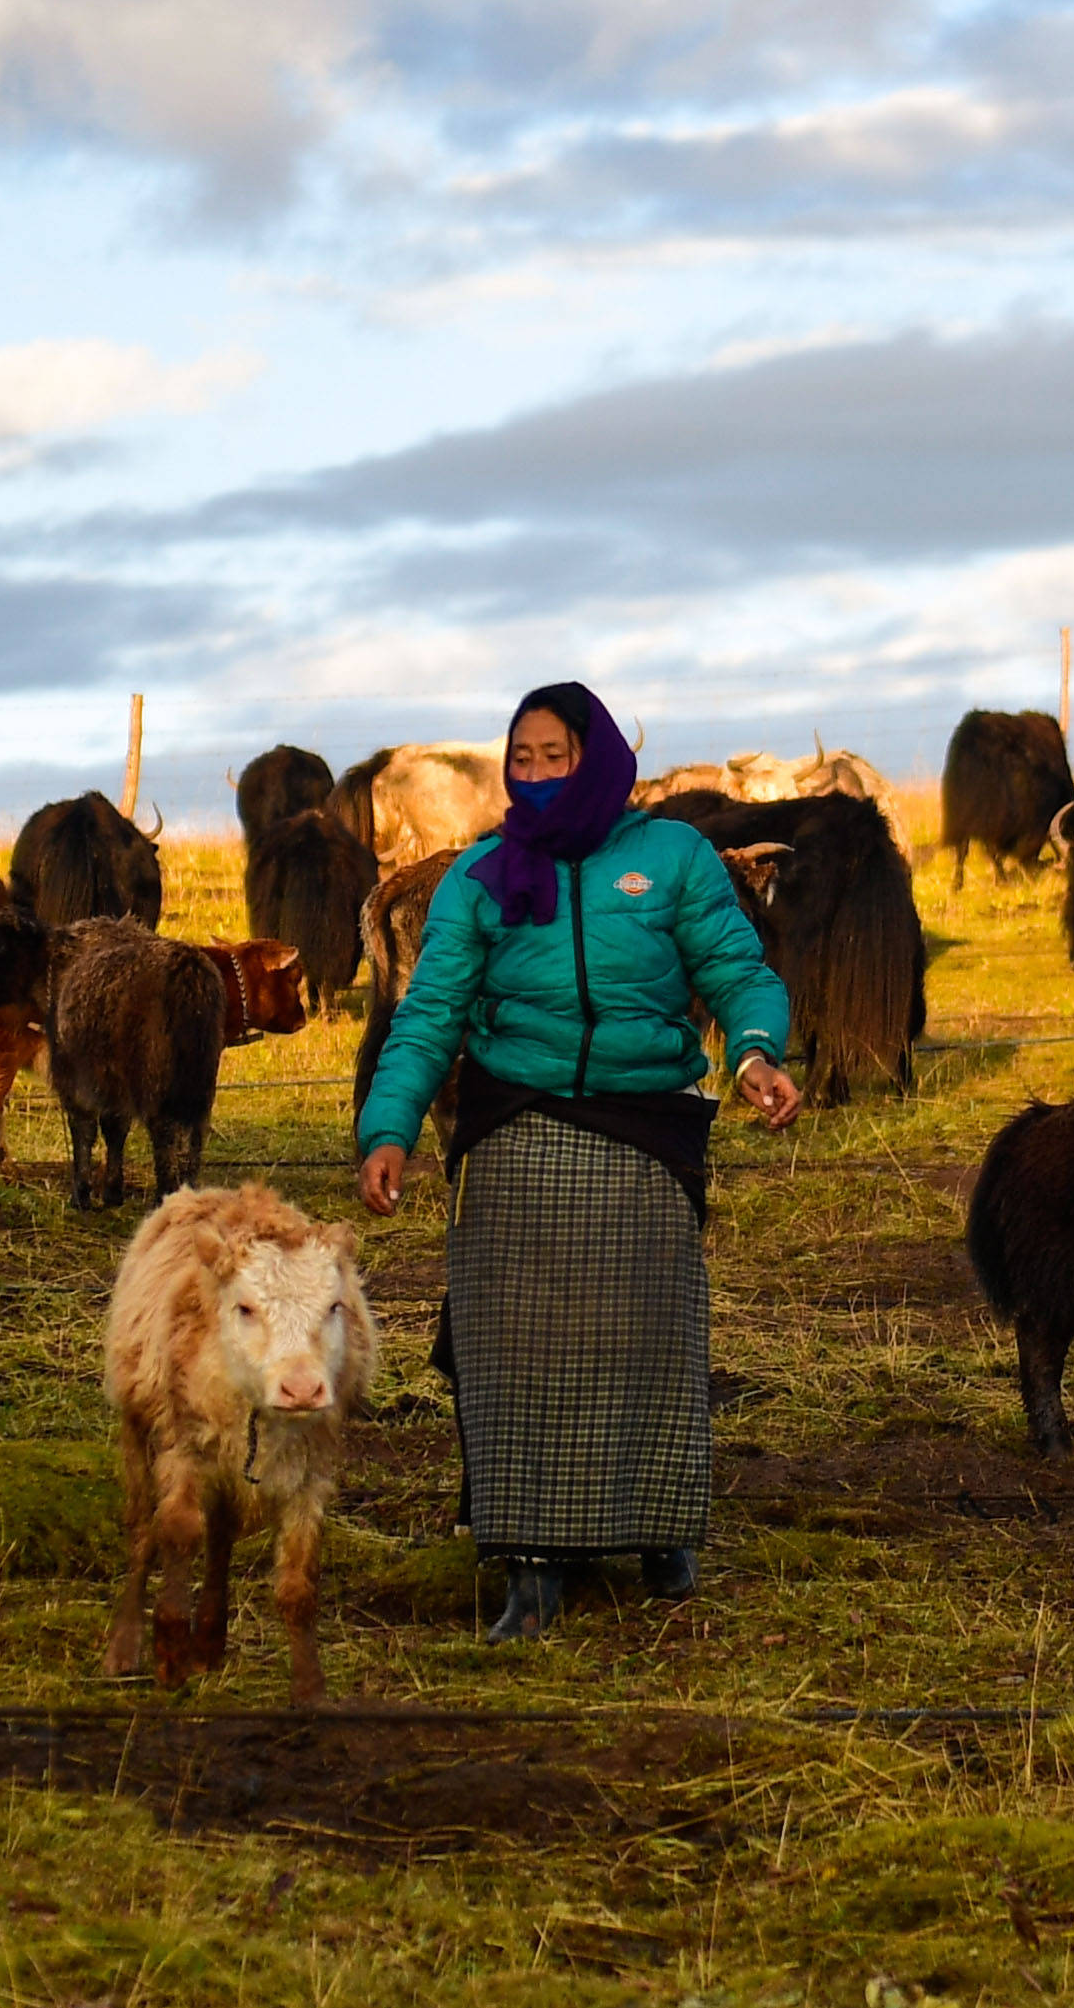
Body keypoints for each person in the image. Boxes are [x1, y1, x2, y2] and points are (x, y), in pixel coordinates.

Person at [355, 682, 801, 1642]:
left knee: (645, 1337)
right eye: (524, 757)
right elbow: (429, 1013)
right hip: (518, 1120)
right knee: (515, 1343)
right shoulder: (484, 873)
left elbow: (734, 967)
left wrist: (757, 1048)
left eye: (556, 754)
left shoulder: (670, 855)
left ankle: (657, 1529)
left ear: (595, 757)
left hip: (648, 1124)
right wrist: (385, 1127)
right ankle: (531, 1562)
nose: (538, 772)